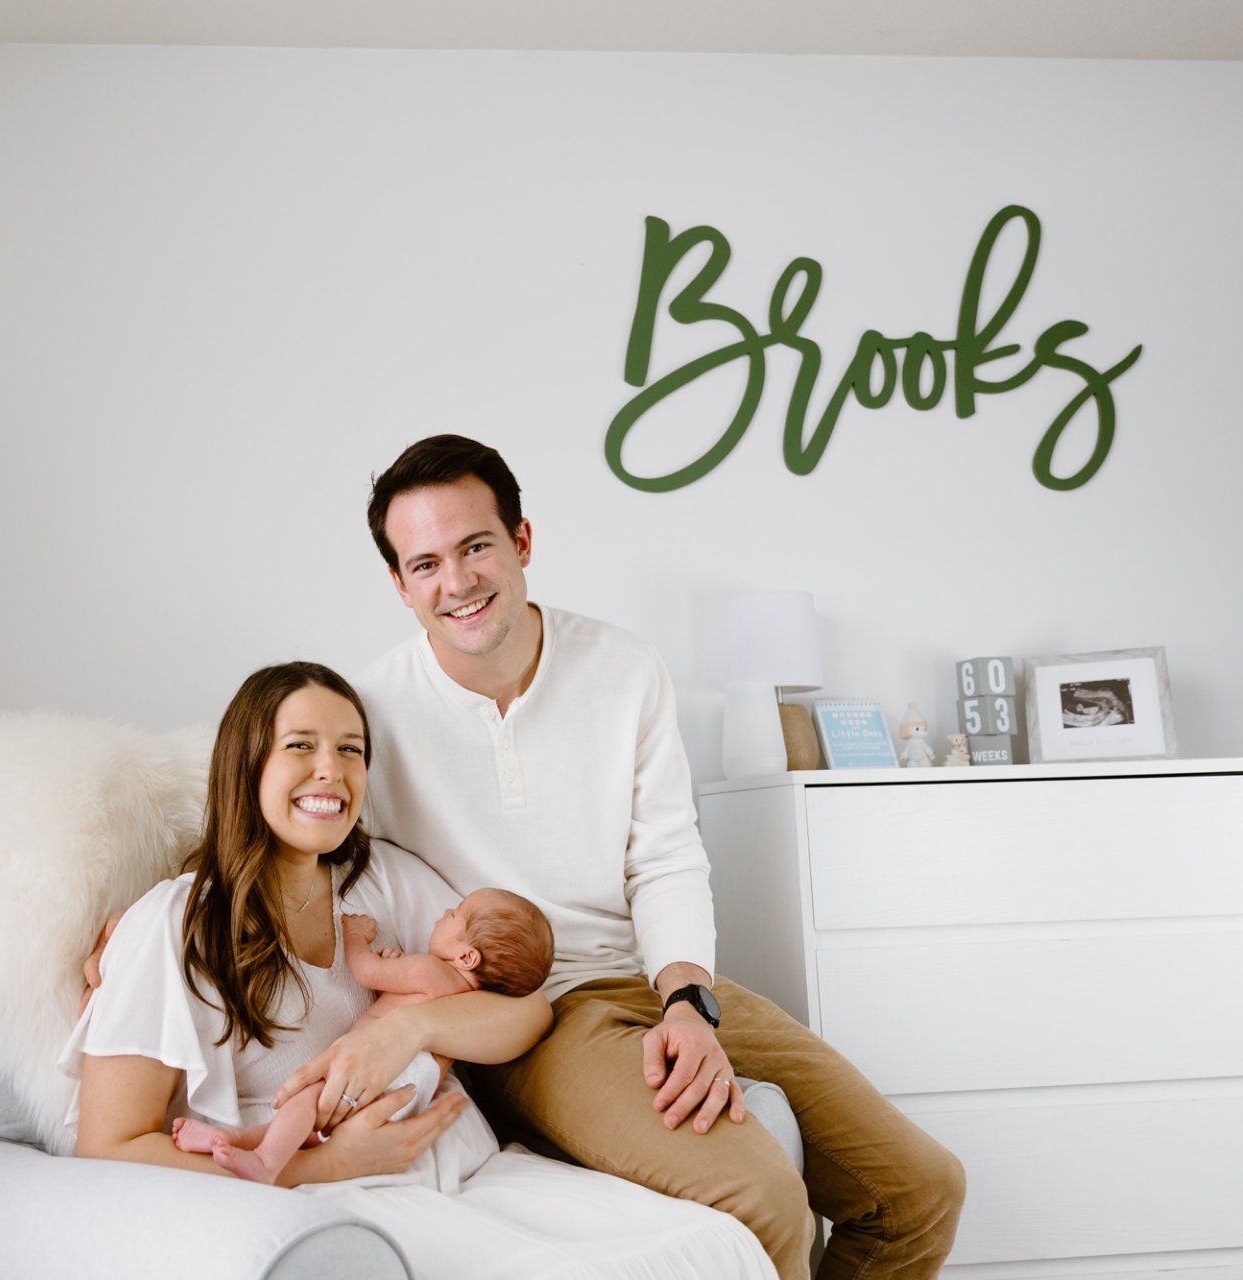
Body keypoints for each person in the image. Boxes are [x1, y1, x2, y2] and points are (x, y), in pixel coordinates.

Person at [262, 436, 966, 1280]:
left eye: (476, 546)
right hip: (532, 1014)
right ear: (400, 585)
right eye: (425, 564)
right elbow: (295, 821)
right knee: (763, 1197)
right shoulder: (372, 709)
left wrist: (686, 1003)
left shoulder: (624, 668)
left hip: (650, 977)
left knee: (921, 1190)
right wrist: (164, 909)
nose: (457, 583)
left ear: (522, 542)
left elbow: (666, 858)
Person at [63, 661, 775, 1278]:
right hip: (321, 1187)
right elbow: (109, 1144)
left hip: (463, 1167)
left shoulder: (380, 881)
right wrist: (328, 1165)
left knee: (710, 1247)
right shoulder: (174, 922)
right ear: (244, 765)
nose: (331, 770)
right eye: (300, 746)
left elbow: (524, 1010)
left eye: (351, 749)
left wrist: (405, 1034)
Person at [171, 888, 554, 1185]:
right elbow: (391, 999)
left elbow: (364, 972)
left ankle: (266, 1163)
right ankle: (237, 1142)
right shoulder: (467, 998)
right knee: (307, 1123)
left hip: (386, 1074)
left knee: (310, 1098)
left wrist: (356, 937)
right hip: (413, 1092)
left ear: (468, 957)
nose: (443, 913)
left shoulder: (428, 970)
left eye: (453, 914)